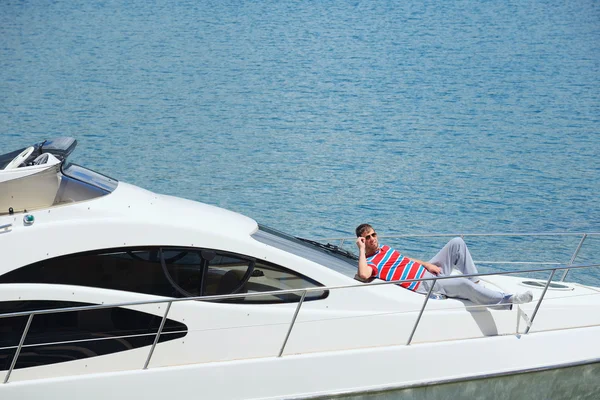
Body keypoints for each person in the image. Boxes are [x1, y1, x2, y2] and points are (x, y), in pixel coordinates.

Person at [355, 223, 533, 307]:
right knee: (463, 284)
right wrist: (362, 249)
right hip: (423, 282)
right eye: (368, 238)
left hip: (427, 271)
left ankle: (478, 285)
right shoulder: (371, 261)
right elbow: (363, 274)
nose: (372, 239)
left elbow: (405, 259)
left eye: (373, 234)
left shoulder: (385, 249)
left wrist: (426, 264)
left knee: (457, 243)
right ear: (363, 240)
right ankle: (506, 299)